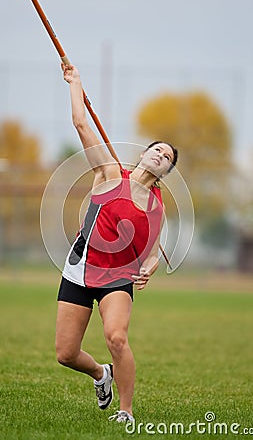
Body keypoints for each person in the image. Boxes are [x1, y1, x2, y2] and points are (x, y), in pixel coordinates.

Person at [56, 62, 178, 423]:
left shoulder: (157, 207)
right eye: (157, 150)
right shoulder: (108, 173)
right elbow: (81, 123)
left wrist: (149, 268)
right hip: (80, 268)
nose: (160, 155)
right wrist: (75, 83)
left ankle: (125, 411)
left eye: (167, 157)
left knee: (117, 338)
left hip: (117, 277)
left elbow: (152, 253)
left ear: (166, 172)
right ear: (143, 154)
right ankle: (100, 374)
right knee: (65, 353)